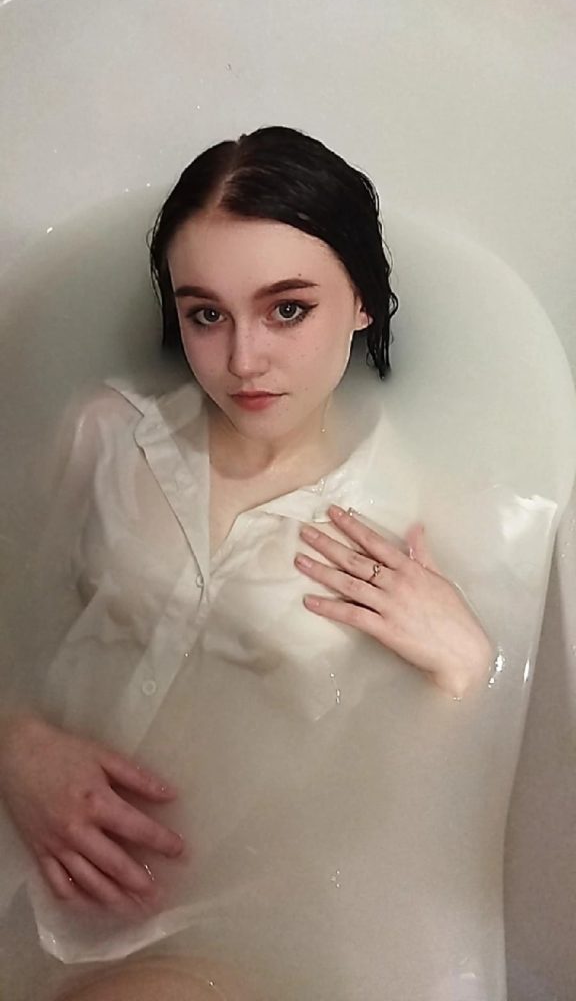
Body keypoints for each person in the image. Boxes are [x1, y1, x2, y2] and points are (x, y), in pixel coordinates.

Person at [0, 125, 497, 999]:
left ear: (362, 302)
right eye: (206, 314)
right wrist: (14, 743)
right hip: (19, 837)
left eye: (287, 310)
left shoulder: (417, 512)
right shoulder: (105, 434)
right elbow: (17, 603)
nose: (241, 361)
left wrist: (467, 667)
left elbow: (408, 809)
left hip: (224, 913)